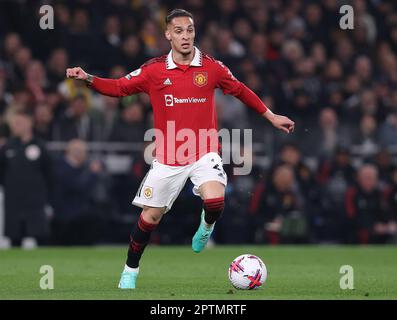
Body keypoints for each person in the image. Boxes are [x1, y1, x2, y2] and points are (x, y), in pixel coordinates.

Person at [66, 9, 295, 289]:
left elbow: (241, 90)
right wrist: (88, 78)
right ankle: (130, 271)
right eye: (178, 31)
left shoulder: (212, 67)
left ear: (194, 32)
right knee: (149, 218)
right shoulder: (154, 70)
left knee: (214, 202)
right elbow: (118, 87)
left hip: (204, 151)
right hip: (168, 158)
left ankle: (206, 226)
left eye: (189, 30)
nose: (185, 36)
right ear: (167, 35)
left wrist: (271, 116)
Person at [0, 111, 53, 248]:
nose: (15, 126)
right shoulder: (7, 147)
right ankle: (15, 269)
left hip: (35, 201)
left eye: (19, 123)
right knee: (14, 238)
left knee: (40, 237)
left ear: (29, 123)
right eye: (14, 123)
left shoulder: (40, 146)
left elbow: (49, 173)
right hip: (13, 201)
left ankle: (46, 268)